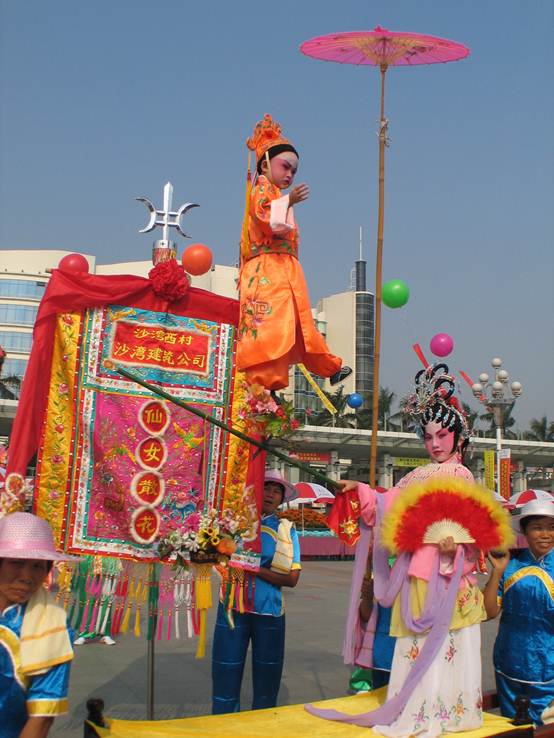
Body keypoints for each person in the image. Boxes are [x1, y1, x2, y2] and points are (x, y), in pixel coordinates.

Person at [309, 364, 490, 736]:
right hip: (416, 574)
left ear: (458, 437)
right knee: (418, 645)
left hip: (448, 574)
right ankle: (423, 711)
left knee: (446, 645)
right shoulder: (413, 476)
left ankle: (445, 712)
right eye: (427, 436)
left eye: (442, 435)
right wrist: (357, 489)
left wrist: (455, 539)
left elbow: (472, 527)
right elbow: (383, 506)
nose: (435, 443)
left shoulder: (461, 475)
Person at [237, 113, 351, 391]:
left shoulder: (277, 194)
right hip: (266, 270)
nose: (289, 175)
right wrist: (289, 200)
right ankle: (262, 387)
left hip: (283, 269)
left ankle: (328, 366)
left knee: (299, 322)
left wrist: (287, 200)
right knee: (271, 326)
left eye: (293, 171)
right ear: (265, 164)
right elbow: (266, 219)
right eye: (285, 167)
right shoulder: (264, 188)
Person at [212, 469, 301, 713]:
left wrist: (252, 568)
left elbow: (292, 578)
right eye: (267, 489)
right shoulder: (234, 523)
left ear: (282, 498)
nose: (271, 495)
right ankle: (223, 726)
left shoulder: (287, 529)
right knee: (225, 672)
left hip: (269, 611)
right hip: (232, 608)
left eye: (277, 491)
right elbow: (216, 554)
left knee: (267, 678)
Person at [0, 512, 76, 738]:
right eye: (16, 563)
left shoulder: (52, 627)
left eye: (37, 566)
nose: (27, 576)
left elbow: (41, 718)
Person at [484, 498, 554, 725]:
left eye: (551, 528)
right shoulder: (511, 565)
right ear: (524, 531)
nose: (545, 534)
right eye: (537, 528)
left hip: (549, 671)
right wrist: (497, 572)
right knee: (512, 728)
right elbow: (490, 611)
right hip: (508, 664)